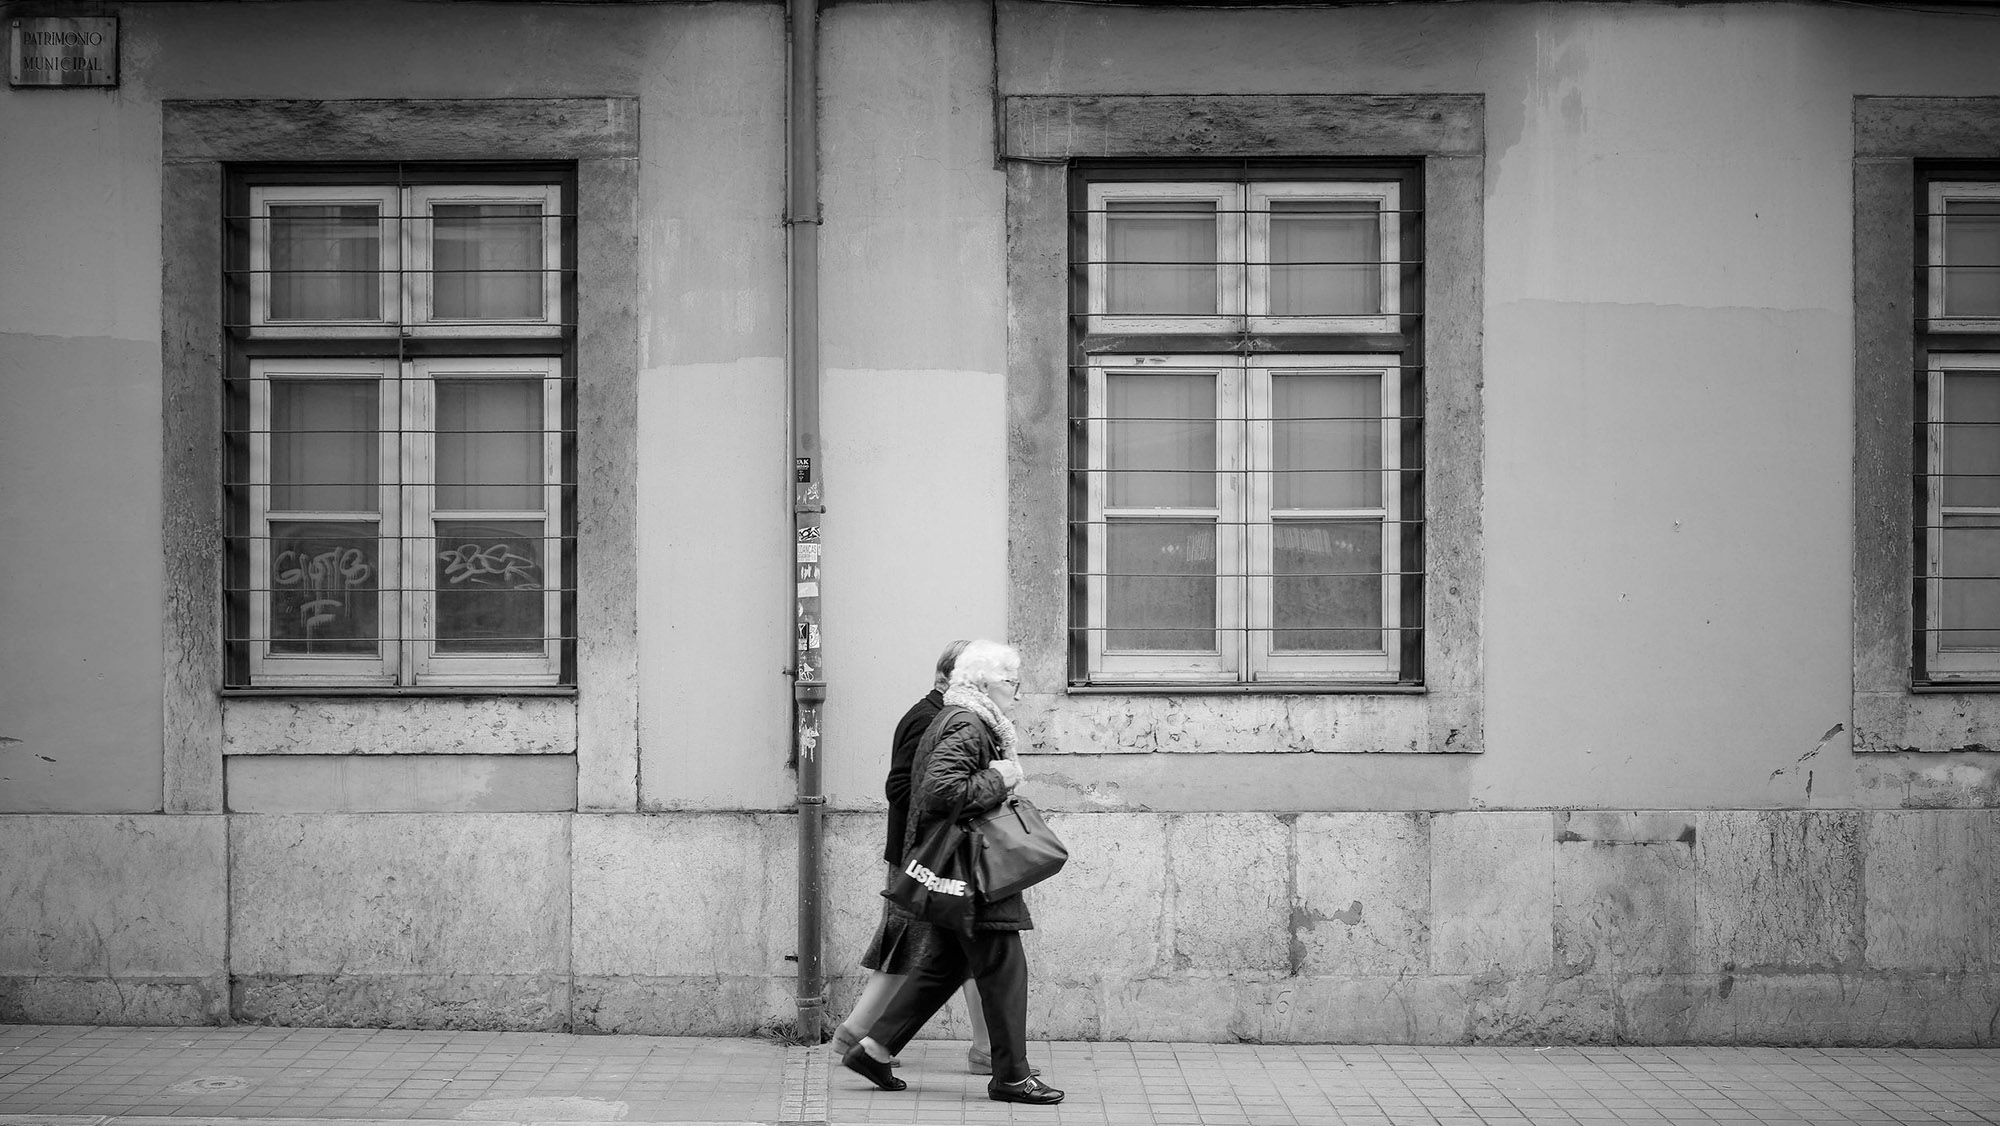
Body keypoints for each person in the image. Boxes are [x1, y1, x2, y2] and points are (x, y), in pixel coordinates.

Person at [841, 639, 1064, 1106]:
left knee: (946, 964)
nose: (1017, 692)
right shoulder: (966, 722)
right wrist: (1000, 778)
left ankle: (873, 1048)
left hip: (961, 866)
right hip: (972, 865)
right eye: (1011, 681)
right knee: (1005, 966)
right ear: (983, 682)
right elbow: (940, 790)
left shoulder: (963, 718)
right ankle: (1011, 1076)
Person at [830, 641, 1002, 1072]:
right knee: (919, 947)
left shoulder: (946, 714)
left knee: (953, 950)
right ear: (956, 676)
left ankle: (984, 1048)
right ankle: (859, 1034)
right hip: (926, 857)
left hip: (934, 854)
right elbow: (902, 789)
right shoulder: (928, 717)